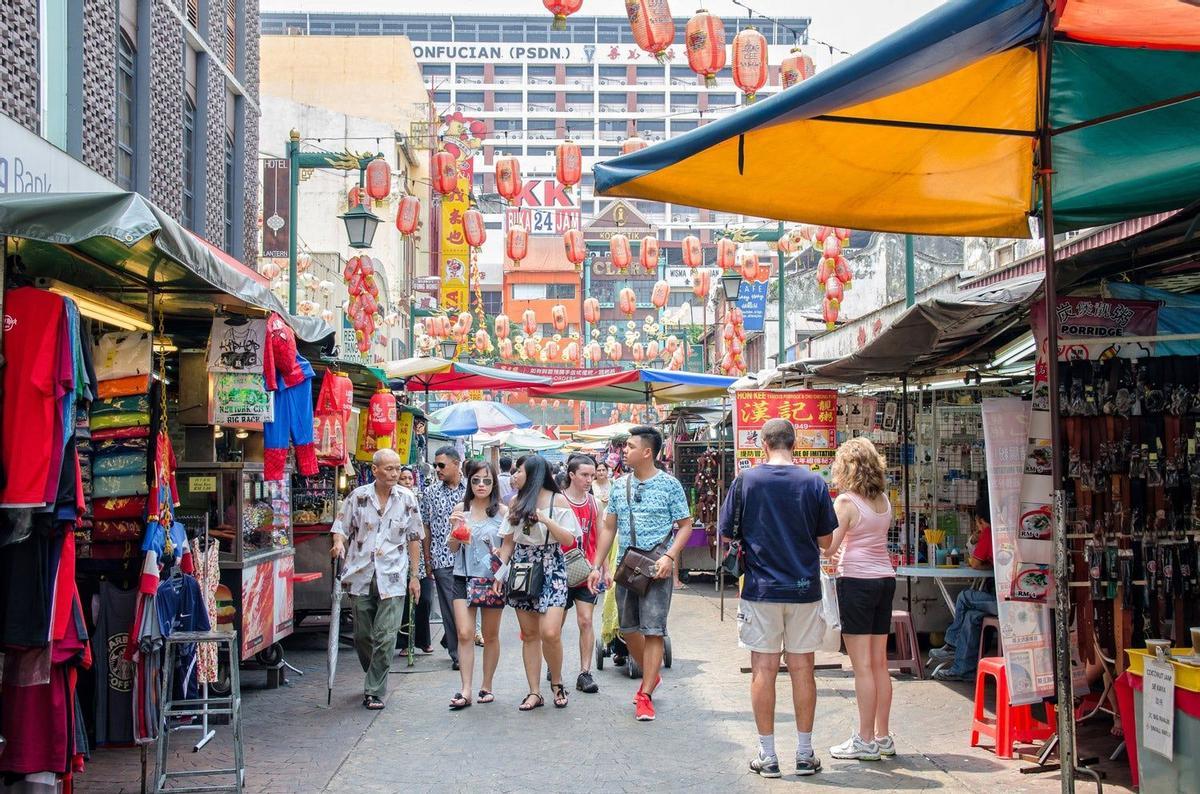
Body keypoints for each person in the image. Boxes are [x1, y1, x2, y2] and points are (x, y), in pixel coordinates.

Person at [719, 418, 834, 776]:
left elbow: (725, 532)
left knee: (763, 670)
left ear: (763, 445)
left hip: (760, 589)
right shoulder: (814, 481)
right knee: (803, 670)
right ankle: (804, 753)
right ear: (794, 444)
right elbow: (826, 542)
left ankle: (767, 756)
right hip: (804, 589)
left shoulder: (746, 481)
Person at [589, 425, 692, 723]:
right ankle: (652, 672)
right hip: (626, 566)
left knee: (654, 629)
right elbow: (609, 527)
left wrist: (670, 557)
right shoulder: (620, 486)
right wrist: (597, 565)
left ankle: (645, 694)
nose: (625, 450)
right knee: (629, 629)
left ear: (647, 452)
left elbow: (685, 524)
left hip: (657, 567)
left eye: (630, 446)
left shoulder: (670, 485)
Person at [330, 449, 423, 710]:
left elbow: (414, 537)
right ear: (375, 470)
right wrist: (338, 543)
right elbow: (340, 528)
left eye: (397, 468)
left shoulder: (407, 499)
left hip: (393, 576)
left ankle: (374, 689)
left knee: (386, 635)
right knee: (362, 636)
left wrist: (414, 576)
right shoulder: (358, 497)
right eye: (389, 468)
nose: (395, 473)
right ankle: (375, 672)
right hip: (360, 575)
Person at [823, 438, 897, 762]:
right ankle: (883, 736)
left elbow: (829, 546)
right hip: (885, 579)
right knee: (880, 664)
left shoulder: (846, 502)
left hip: (857, 581)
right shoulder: (883, 500)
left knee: (862, 666)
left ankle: (864, 740)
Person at [492, 455, 581, 711]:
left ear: (532, 474)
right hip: (522, 568)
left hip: (552, 566)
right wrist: (500, 575)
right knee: (529, 635)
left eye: (518, 471)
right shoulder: (516, 503)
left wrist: (546, 520)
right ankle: (534, 692)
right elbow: (508, 543)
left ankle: (557, 682)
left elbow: (568, 540)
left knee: (550, 632)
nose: (514, 476)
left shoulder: (558, 500)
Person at [445, 460, 507, 709]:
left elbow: (508, 548)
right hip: (463, 576)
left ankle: (486, 686)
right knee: (464, 633)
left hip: (491, 579)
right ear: (469, 483)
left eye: (487, 481)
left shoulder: (502, 512)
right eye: (476, 480)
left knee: (491, 635)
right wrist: (454, 531)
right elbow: (452, 548)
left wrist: (500, 576)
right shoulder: (462, 509)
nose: (481, 485)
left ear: (494, 484)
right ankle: (466, 689)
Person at [930, 487, 996, 682]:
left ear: (980, 520)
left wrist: (978, 540)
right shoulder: (999, 531)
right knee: (972, 616)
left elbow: (975, 563)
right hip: (1009, 598)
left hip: (1003, 601)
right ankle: (963, 669)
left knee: (965, 597)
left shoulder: (989, 533)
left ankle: (951, 644)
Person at [420, 446, 467, 670]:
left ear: (456, 464)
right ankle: (457, 652)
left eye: (442, 465)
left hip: (471, 559)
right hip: (443, 558)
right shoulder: (430, 493)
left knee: (469, 605)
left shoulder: (473, 488)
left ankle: (454, 638)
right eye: (436, 465)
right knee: (450, 607)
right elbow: (426, 528)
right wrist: (427, 559)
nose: (437, 469)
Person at [560, 454, 603, 694]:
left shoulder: (594, 504)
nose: (589, 479)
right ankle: (553, 664)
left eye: (592, 475)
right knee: (555, 625)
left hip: (586, 571)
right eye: (584, 475)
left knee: (586, 620)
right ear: (571, 475)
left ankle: (585, 673)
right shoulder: (559, 501)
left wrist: (601, 567)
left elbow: (600, 537)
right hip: (560, 571)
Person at [397, 466, 433, 654]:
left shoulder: (422, 500)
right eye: (403, 479)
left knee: (424, 600)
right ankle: (405, 642)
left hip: (421, 559)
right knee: (404, 603)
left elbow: (425, 530)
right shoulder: (395, 502)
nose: (407, 482)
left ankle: (423, 640)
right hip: (401, 560)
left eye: (410, 478)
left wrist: (428, 558)